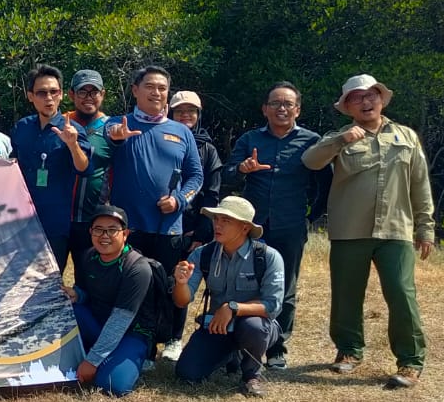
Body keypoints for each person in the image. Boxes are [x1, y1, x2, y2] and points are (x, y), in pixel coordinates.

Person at [303, 74, 435, 390]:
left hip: (396, 230)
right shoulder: (338, 137)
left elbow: (420, 183)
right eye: (357, 98)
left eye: (371, 96)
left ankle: (410, 361)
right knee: (346, 294)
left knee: (402, 294)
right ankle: (349, 351)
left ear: (381, 100)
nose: (365, 102)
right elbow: (310, 161)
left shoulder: (406, 136)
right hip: (349, 229)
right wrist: (341, 141)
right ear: (347, 106)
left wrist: (425, 226)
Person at [225, 81, 331, 368]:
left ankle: (276, 348)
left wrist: (311, 216)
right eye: (275, 103)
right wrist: (242, 169)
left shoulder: (311, 141)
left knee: (285, 287)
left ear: (298, 109)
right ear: (265, 109)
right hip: (251, 225)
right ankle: (240, 346)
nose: (281, 108)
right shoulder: (250, 139)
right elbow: (227, 176)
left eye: (287, 104)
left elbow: (325, 183)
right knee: (244, 283)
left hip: (290, 224)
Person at [105, 65, 204, 361]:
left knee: (170, 285)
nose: (156, 92)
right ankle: (141, 346)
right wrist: (115, 139)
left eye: (162, 88)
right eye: (150, 86)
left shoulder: (181, 132)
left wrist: (179, 200)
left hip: (168, 227)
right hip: (129, 228)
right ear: (135, 90)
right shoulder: (117, 124)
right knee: (133, 288)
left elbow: (196, 176)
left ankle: (172, 338)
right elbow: (103, 149)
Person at [171, 197, 286, 397]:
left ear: (244, 227)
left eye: (226, 220)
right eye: (216, 219)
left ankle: (251, 375)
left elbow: (273, 305)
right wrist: (180, 284)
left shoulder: (268, 257)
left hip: (255, 325)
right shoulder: (202, 254)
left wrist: (233, 308)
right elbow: (181, 301)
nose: (218, 225)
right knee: (187, 373)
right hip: (218, 327)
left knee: (254, 327)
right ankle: (231, 354)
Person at [63, 205, 157, 397]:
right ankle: (99, 352)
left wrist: (92, 361)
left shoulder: (137, 269)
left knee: (112, 385)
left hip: (131, 332)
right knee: (67, 308)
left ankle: (133, 357)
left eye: (112, 230)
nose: (104, 236)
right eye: (98, 229)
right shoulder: (89, 256)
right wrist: (77, 295)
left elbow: (120, 321)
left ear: (125, 234)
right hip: (98, 322)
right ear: (90, 232)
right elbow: (86, 293)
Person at [10, 65, 91, 267]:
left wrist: (72, 144)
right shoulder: (22, 127)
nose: (49, 98)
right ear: (30, 96)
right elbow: (12, 164)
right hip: (21, 221)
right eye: (42, 93)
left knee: (51, 279)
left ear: (61, 94)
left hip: (54, 223)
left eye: (54, 92)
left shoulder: (72, 130)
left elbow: (83, 168)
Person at [168, 91, 225, 250]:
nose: (185, 115)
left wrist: (201, 232)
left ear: (198, 114)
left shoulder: (208, 149)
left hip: (193, 227)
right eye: (179, 111)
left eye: (191, 110)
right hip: (162, 221)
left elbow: (212, 193)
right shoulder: (162, 142)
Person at [63, 68, 112, 207]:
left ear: (102, 94)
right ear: (71, 94)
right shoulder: (60, 123)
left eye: (94, 92)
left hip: (97, 214)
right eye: (82, 92)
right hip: (58, 211)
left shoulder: (112, 128)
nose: (89, 98)